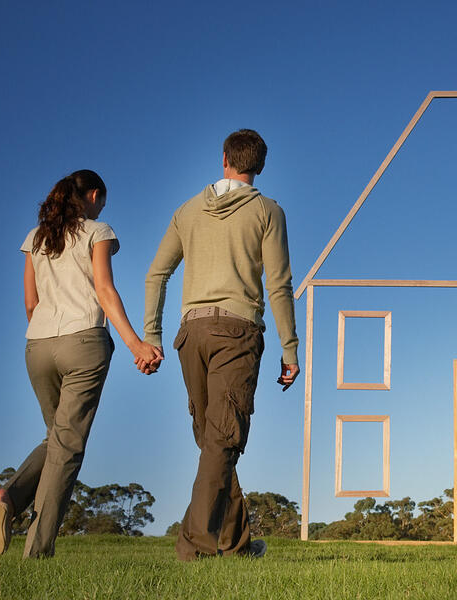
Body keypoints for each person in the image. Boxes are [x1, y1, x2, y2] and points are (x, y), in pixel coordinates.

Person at [0, 170, 163, 558]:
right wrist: (136, 344)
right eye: (102, 202)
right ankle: (36, 553)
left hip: (38, 346)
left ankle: (7, 497)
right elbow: (103, 289)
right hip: (83, 342)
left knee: (56, 438)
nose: (102, 208)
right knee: (67, 448)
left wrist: (46, 333)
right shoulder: (97, 231)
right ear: (94, 196)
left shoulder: (36, 238)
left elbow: (30, 304)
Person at [142, 129, 299, 561]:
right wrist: (290, 350)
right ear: (260, 166)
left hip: (190, 335)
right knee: (221, 441)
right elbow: (279, 285)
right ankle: (192, 547)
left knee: (215, 440)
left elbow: (156, 275)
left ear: (224, 158)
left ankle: (236, 545)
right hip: (237, 332)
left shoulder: (187, 210)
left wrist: (151, 337)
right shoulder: (269, 211)